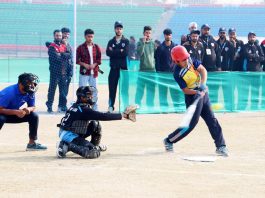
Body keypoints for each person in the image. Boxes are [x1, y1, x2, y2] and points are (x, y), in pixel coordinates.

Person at [163, 46, 228, 157]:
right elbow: (185, 90)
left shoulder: (191, 61)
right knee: (190, 125)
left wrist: (202, 85)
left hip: (203, 94)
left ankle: (221, 146)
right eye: (183, 59)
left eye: (186, 57)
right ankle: (169, 140)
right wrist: (196, 92)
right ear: (176, 61)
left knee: (212, 120)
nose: (186, 60)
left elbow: (203, 70)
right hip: (192, 98)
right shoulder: (177, 73)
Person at [56, 86, 137, 159]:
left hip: (72, 131)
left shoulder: (78, 105)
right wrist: (123, 116)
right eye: (88, 95)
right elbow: (103, 116)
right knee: (93, 152)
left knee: (95, 124)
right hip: (68, 135)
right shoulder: (83, 110)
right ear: (82, 97)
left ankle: (93, 145)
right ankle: (66, 145)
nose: (91, 97)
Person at [0, 73, 47, 151]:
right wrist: (16, 112)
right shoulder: (9, 93)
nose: (32, 85)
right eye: (30, 83)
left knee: (34, 116)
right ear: (21, 84)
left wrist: (28, 109)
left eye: (33, 82)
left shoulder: (30, 92)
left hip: (12, 113)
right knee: (0, 119)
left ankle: (31, 144)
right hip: (2, 113)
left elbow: (33, 106)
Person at [46, 29, 71, 113]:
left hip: (63, 73)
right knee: (52, 90)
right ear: (54, 36)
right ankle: (49, 106)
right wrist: (64, 55)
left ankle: (62, 106)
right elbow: (56, 58)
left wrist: (62, 54)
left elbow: (69, 55)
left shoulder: (64, 45)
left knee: (63, 92)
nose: (59, 37)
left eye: (60, 35)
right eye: (57, 35)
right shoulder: (52, 47)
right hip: (54, 73)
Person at [106, 21, 129, 112]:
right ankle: (111, 106)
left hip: (123, 69)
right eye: (117, 28)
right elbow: (108, 53)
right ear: (115, 29)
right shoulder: (111, 41)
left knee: (124, 89)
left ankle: (125, 107)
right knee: (112, 89)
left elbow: (125, 53)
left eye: (120, 28)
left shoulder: (126, 41)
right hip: (114, 68)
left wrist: (114, 51)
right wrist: (120, 51)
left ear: (122, 30)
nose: (118, 30)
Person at [76, 29, 102, 111]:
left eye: (91, 37)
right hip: (84, 73)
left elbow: (99, 60)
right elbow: (77, 60)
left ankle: (95, 109)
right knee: (82, 91)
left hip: (94, 73)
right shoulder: (80, 48)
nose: (90, 38)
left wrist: (94, 65)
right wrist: (84, 65)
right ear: (85, 36)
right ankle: (81, 109)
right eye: (88, 36)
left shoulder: (97, 47)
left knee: (94, 91)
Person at [155, 28, 179, 111]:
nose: (168, 36)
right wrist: (158, 72)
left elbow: (178, 60)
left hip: (173, 74)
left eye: (169, 34)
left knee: (174, 91)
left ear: (171, 35)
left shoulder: (175, 47)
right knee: (163, 92)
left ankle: (177, 108)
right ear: (164, 35)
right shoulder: (160, 48)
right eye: (166, 34)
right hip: (163, 74)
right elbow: (157, 61)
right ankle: (164, 108)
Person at [135, 26, 156, 109]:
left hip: (152, 70)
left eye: (149, 33)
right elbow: (139, 54)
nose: (148, 34)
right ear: (143, 33)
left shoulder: (153, 43)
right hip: (143, 70)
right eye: (146, 33)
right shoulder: (140, 42)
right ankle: (137, 107)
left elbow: (155, 56)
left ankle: (150, 106)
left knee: (151, 90)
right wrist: (143, 42)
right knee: (140, 90)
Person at [243, 32, 265, 110]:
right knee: (248, 89)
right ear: (248, 38)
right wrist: (256, 56)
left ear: (255, 38)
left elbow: (262, 58)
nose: (252, 38)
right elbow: (246, 55)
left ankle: (257, 105)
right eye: (250, 37)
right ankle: (247, 105)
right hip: (248, 71)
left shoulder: (258, 46)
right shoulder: (245, 46)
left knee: (257, 89)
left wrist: (253, 58)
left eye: (253, 37)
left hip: (258, 72)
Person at [61, 27, 74, 102]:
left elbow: (70, 56)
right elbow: (64, 55)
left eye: (68, 34)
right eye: (65, 33)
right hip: (63, 70)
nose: (66, 35)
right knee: (63, 88)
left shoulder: (68, 44)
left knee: (66, 87)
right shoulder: (60, 44)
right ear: (61, 33)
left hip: (69, 69)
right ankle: (62, 105)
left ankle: (64, 104)